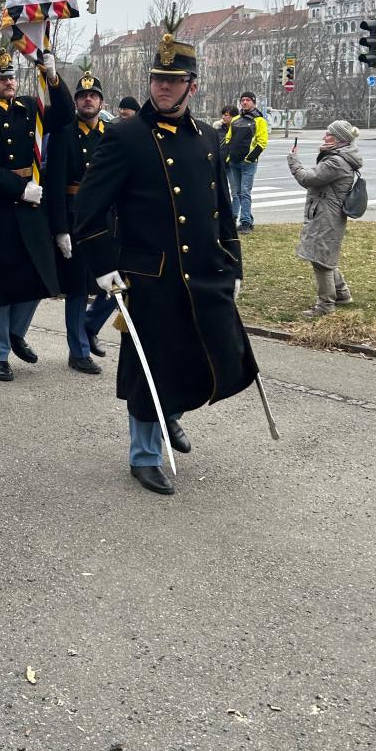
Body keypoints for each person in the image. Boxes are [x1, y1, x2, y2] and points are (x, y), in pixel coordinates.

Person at [74, 25, 258, 495]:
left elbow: (221, 208)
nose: (163, 87)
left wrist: (233, 262)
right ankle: (144, 455)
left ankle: (169, 411)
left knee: (204, 354)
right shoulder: (125, 137)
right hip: (148, 275)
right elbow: (89, 209)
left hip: (201, 273)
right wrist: (103, 265)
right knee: (149, 367)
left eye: (174, 81)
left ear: (191, 86)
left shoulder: (208, 138)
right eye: (158, 78)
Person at [0, 47, 70, 381]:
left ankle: (15, 333)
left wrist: (53, 78)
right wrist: (19, 188)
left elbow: (65, 115)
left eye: (11, 77)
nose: (8, 82)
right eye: (1, 78)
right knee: (1, 284)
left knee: (41, 274)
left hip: (32, 205)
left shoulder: (29, 108)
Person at [45, 70, 108, 375]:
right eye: (83, 96)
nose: (88, 100)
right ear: (76, 102)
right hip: (75, 218)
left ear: (101, 102)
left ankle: (90, 326)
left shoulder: (111, 134)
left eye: (93, 96)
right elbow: (55, 184)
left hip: (106, 217)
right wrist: (60, 229)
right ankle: (79, 351)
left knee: (117, 281)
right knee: (77, 289)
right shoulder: (65, 133)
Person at [287, 121, 362, 317]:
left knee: (321, 260)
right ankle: (342, 293)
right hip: (325, 212)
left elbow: (308, 179)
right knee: (324, 255)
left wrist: (293, 161)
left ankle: (325, 305)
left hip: (326, 215)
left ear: (339, 139)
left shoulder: (336, 162)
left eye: (328, 134)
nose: (324, 137)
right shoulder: (340, 157)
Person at [224, 90, 269, 233]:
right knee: (238, 193)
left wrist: (250, 158)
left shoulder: (259, 121)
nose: (244, 102)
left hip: (248, 163)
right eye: (242, 100)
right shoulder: (236, 120)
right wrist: (228, 156)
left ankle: (245, 223)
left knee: (244, 192)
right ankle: (246, 219)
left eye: (248, 100)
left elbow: (262, 142)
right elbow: (228, 139)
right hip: (234, 162)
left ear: (253, 102)